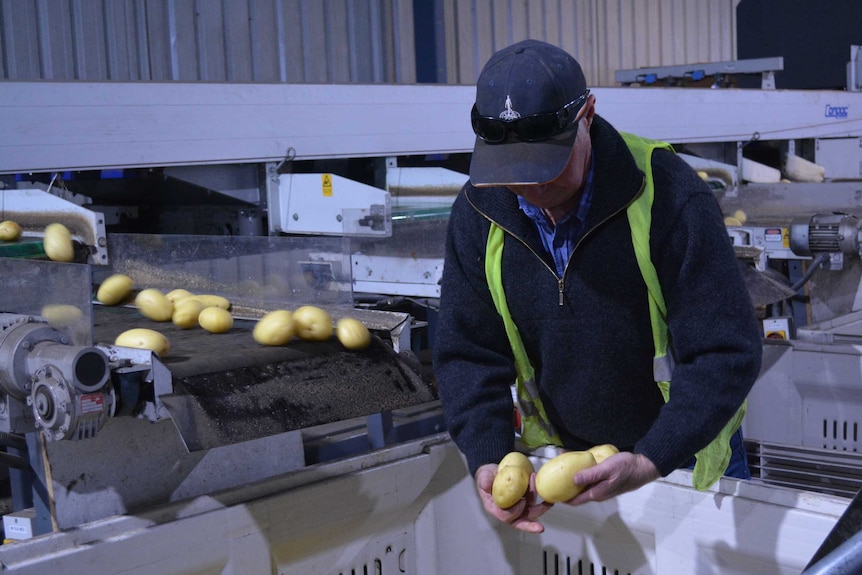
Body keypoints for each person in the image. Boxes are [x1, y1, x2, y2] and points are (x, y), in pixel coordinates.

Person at [432, 39, 763, 533]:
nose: (531, 190)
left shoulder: (669, 196)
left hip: (684, 460)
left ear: (587, 115)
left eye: (547, 167)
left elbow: (724, 351)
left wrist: (651, 459)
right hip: (566, 469)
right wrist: (488, 454)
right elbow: (468, 352)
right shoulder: (480, 212)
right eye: (513, 173)